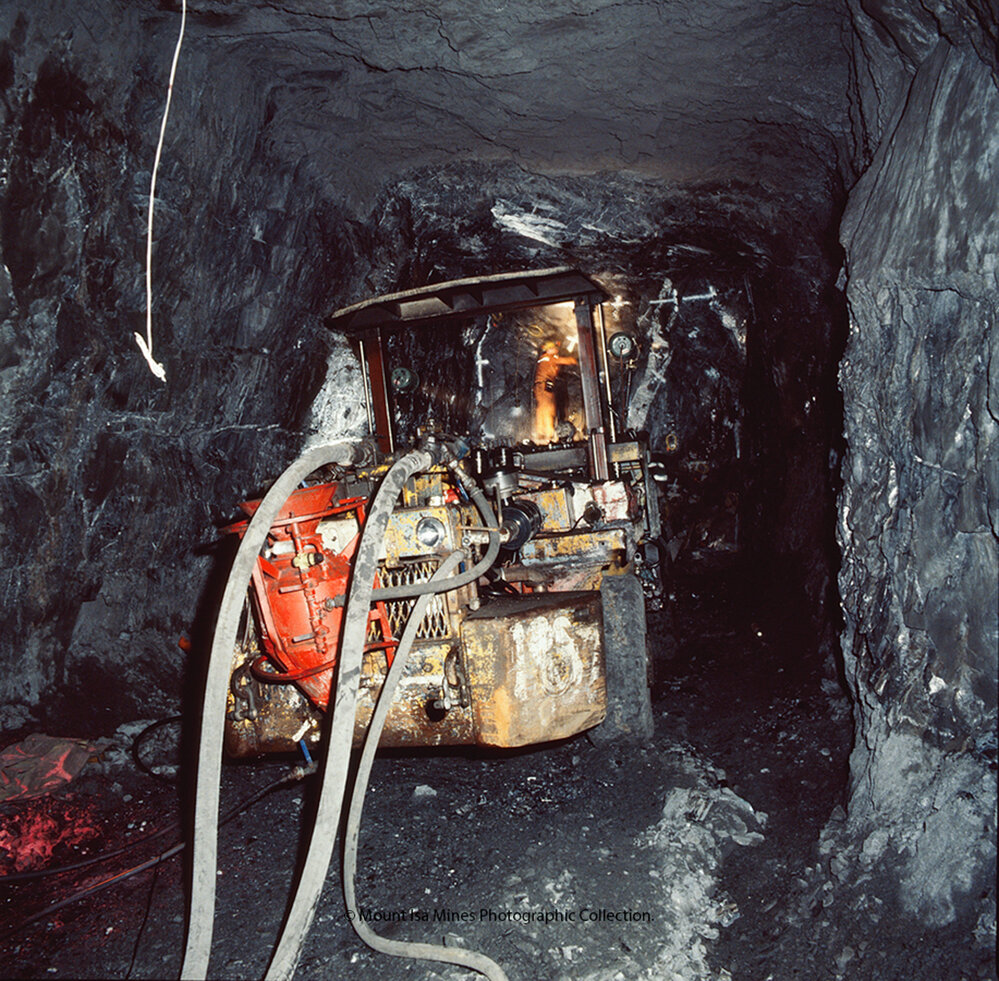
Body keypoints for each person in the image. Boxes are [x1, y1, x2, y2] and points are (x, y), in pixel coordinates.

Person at [533, 339, 577, 443]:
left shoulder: (543, 359)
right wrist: (578, 359)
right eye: (553, 348)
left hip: (540, 387)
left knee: (542, 409)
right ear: (548, 350)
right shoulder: (549, 358)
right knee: (549, 409)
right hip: (545, 387)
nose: (556, 350)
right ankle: (549, 434)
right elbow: (569, 361)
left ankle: (541, 434)